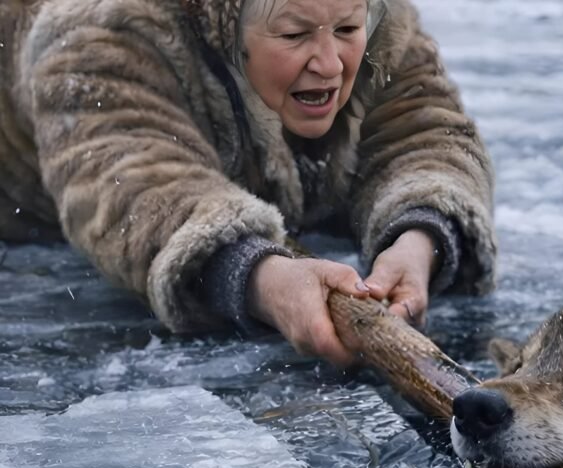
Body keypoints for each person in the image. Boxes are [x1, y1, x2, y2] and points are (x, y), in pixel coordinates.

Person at [0, 0, 497, 366]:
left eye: (347, 29)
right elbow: (131, 183)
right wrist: (261, 278)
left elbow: (424, 134)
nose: (330, 64)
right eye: (294, 35)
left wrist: (419, 241)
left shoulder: (379, 21)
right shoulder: (101, 31)